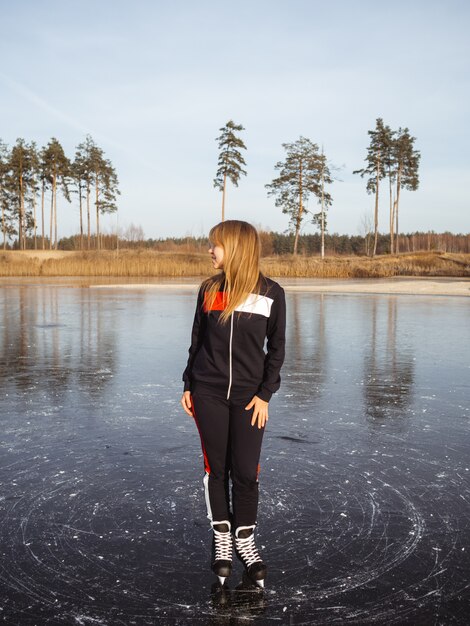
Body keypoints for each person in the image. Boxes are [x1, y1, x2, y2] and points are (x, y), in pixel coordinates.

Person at [181, 220, 286, 588]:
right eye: (211, 244)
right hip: (207, 392)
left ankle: (246, 539)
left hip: (248, 398)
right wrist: (189, 384)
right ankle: (222, 537)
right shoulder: (209, 290)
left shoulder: (271, 292)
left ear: (236, 249)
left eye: (217, 245)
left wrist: (265, 393)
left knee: (245, 471)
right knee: (217, 467)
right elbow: (197, 341)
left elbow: (277, 349)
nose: (210, 250)